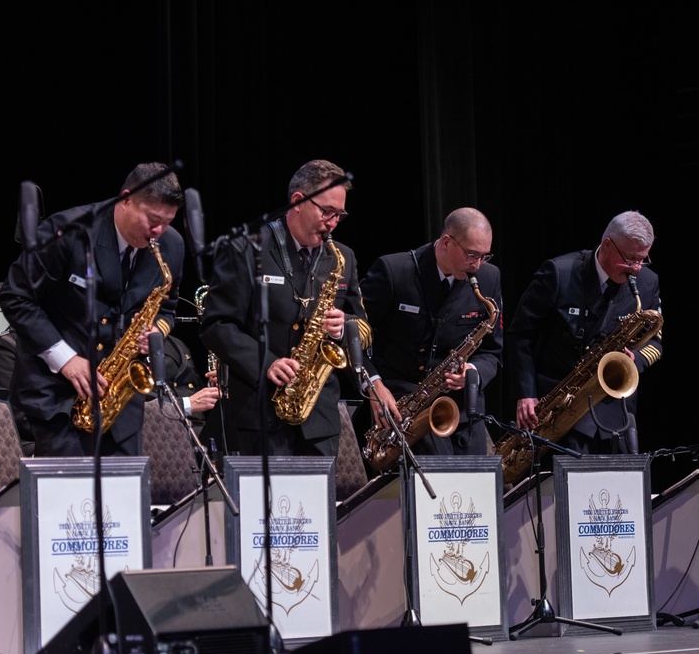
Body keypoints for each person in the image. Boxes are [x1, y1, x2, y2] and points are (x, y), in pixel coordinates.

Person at [0, 162, 185, 457]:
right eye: (152, 218)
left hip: (121, 404)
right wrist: (66, 359)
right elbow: (15, 297)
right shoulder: (68, 231)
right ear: (126, 198)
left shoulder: (171, 245)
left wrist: (155, 332)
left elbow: (168, 308)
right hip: (57, 398)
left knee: (124, 499)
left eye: (168, 221)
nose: (157, 231)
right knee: (68, 501)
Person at [199, 159, 369, 457]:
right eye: (326, 211)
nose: (332, 222)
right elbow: (216, 325)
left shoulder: (344, 257)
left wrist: (346, 326)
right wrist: (267, 363)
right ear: (298, 201)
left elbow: (364, 328)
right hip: (257, 416)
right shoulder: (245, 248)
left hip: (319, 422)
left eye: (339, 214)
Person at [508, 210, 662, 455]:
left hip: (616, 414)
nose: (636, 268)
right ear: (608, 245)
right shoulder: (559, 273)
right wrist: (526, 394)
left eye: (642, 259)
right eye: (630, 259)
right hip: (559, 413)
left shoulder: (647, 282)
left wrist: (636, 359)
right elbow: (521, 335)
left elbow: (654, 339)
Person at [358, 208, 504, 461]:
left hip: (462, 405)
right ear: (446, 242)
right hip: (403, 402)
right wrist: (374, 384)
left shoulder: (489, 278)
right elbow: (353, 339)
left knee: (477, 485)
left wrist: (473, 371)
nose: (477, 265)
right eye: (471, 255)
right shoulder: (394, 270)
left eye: (484, 256)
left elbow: (493, 352)